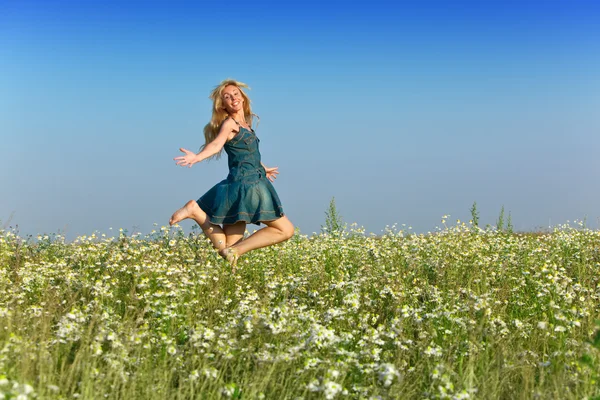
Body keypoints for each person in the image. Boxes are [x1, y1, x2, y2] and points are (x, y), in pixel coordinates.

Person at [169, 79, 294, 269]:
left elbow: (247, 152)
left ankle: (196, 212)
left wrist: (263, 167)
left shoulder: (246, 124)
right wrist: (197, 157)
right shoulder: (230, 124)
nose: (233, 98)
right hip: (247, 186)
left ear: (242, 97)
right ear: (223, 106)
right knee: (286, 230)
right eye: (227, 97)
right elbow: (217, 144)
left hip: (244, 183)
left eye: (235, 93)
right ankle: (232, 248)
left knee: (227, 248)